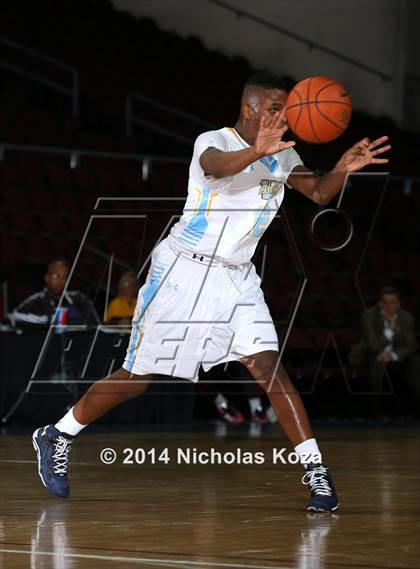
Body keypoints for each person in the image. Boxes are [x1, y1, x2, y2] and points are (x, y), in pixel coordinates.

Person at [32, 72, 390, 511]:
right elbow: (214, 168)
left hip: (237, 277)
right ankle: (57, 434)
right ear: (249, 109)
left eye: (289, 110)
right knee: (137, 381)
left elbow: (317, 192)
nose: (286, 118)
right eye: (277, 109)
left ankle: (317, 475)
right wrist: (255, 153)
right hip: (183, 272)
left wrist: (341, 169)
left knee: (269, 371)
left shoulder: (283, 154)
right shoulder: (212, 142)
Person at [349, 286, 419, 403]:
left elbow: (411, 345)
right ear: (379, 304)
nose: (388, 307)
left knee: (415, 361)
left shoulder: (407, 318)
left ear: (398, 304)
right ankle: (378, 404)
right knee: (377, 360)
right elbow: (374, 346)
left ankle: (417, 404)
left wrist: (392, 355)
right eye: (385, 302)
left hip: (395, 353)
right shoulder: (368, 316)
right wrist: (390, 329)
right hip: (371, 352)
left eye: (392, 303)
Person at [11, 259, 99, 328]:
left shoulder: (79, 299)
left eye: (64, 277)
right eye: (56, 276)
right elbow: (15, 316)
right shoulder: (37, 300)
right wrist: (46, 321)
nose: (60, 281)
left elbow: (95, 323)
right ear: (47, 279)